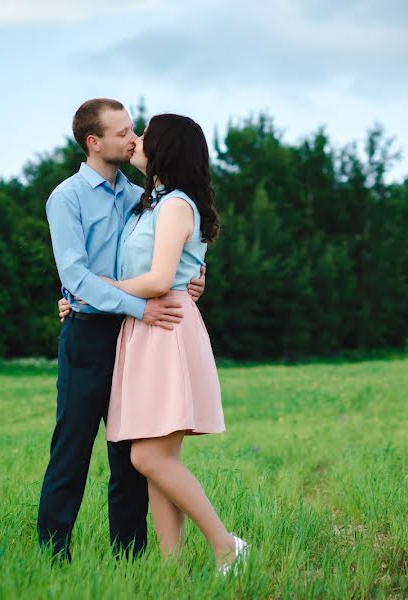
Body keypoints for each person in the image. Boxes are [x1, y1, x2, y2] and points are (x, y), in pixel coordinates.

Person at [37, 98, 206, 565]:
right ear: (94, 142)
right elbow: (75, 276)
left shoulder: (140, 195)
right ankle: (52, 560)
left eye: (135, 130)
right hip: (89, 336)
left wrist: (197, 272)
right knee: (70, 451)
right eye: (123, 132)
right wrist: (135, 305)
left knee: (131, 459)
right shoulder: (66, 198)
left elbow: (177, 239)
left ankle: (129, 562)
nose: (134, 139)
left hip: (137, 339)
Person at [98, 113, 249, 575]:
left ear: (165, 148)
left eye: (145, 134)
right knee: (157, 460)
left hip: (166, 329)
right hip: (147, 327)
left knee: (146, 456)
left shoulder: (176, 205)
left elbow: (162, 278)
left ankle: (226, 545)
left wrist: (100, 286)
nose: (136, 140)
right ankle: (172, 568)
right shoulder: (154, 203)